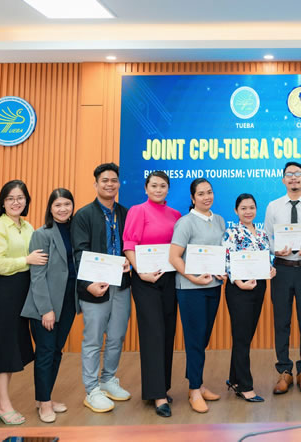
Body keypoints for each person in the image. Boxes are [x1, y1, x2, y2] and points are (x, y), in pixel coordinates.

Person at [71, 163, 133, 414]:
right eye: (104, 180)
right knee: (94, 339)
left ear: (119, 184)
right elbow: (79, 253)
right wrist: (88, 285)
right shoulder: (84, 215)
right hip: (95, 287)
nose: (110, 184)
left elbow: (130, 244)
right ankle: (91, 389)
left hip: (122, 284)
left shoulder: (125, 213)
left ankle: (108, 379)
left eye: (114, 180)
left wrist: (131, 259)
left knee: (117, 336)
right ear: (96, 184)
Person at [0, 180, 42, 425]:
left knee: (13, 350)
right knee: (2, 351)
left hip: (23, 296)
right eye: (10, 198)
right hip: (3, 295)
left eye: (20, 197)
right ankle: (4, 405)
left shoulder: (28, 227)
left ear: (26, 200)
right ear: (2, 203)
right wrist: (25, 260)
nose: (16, 202)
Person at [123, 171, 182, 418]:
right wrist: (141, 271)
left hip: (169, 279)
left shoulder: (176, 215)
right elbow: (129, 245)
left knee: (168, 332)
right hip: (145, 280)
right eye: (154, 185)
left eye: (163, 186)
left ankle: (161, 387)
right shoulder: (138, 210)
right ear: (146, 188)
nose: (158, 189)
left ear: (168, 189)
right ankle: (157, 396)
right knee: (153, 333)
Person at [264, 161, 301, 394]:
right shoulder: (273, 206)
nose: (293, 178)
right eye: (289, 175)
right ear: (283, 179)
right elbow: (267, 237)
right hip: (282, 268)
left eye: (298, 174)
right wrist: (273, 250)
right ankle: (284, 371)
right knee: (282, 321)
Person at [168, 178, 226, 413]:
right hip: (191, 289)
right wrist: (192, 277)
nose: (206, 197)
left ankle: (198, 383)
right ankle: (193, 390)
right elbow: (174, 257)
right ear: (192, 198)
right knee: (194, 340)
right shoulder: (185, 223)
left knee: (203, 339)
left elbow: (222, 252)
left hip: (213, 286)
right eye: (201, 194)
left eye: (209, 192)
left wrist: (222, 270)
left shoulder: (219, 220)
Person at [21, 188, 78, 423]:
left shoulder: (75, 231)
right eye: (58, 205)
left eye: (67, 204)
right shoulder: (42, 234)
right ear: (50, 208)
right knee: (45, 353)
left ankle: (44, 396)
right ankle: (44, 404)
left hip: (68, 303)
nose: (63, 209)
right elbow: (37, 276)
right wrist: (46, 309)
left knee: (56, 352)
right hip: (45, 305)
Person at [222, 193, 276, 403]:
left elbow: (268, 256)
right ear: (236, 211)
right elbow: (227, 261)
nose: (248, 211)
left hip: (258, 287)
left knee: (245, 335)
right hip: (239, 288)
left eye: (251, 207)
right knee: (242, 337)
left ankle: (234, 379)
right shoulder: (231, 233)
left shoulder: (262, 234)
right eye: (243, 208)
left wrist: (271, 268)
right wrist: (238, 281)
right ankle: (245, 386)